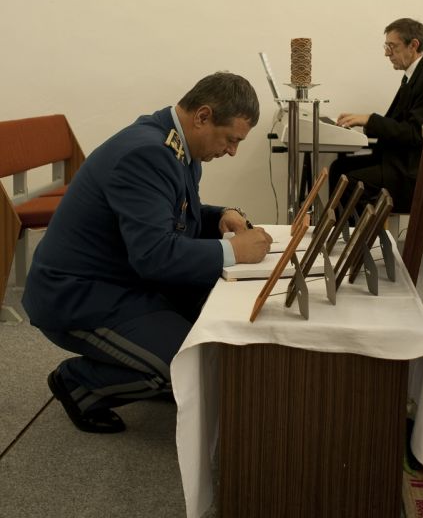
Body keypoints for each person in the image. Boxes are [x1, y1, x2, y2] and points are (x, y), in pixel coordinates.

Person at [22, 72, 272, 433]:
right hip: (77, 296)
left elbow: (170, 217)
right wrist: (233, 251)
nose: (232, 151)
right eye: (231, 139)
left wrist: (220, 215)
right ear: (203, 116)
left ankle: (147, 364)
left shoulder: (175, 144)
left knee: (211, 332)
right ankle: (78, 384)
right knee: (189, 366)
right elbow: (155, 254)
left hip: (121, 279)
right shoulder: (147, 154)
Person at [329, 18, 423, 214]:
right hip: (397, 160)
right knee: (338, 168)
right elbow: (398, 124)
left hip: (410, 171)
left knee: (349, 182)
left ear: (413, 45)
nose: (387, 53)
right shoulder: (413, 75)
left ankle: (362, 233)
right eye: (386, 46)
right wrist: (364, 122)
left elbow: (414, 133)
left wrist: (369, 119)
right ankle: (341, 231)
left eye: (392, 47)